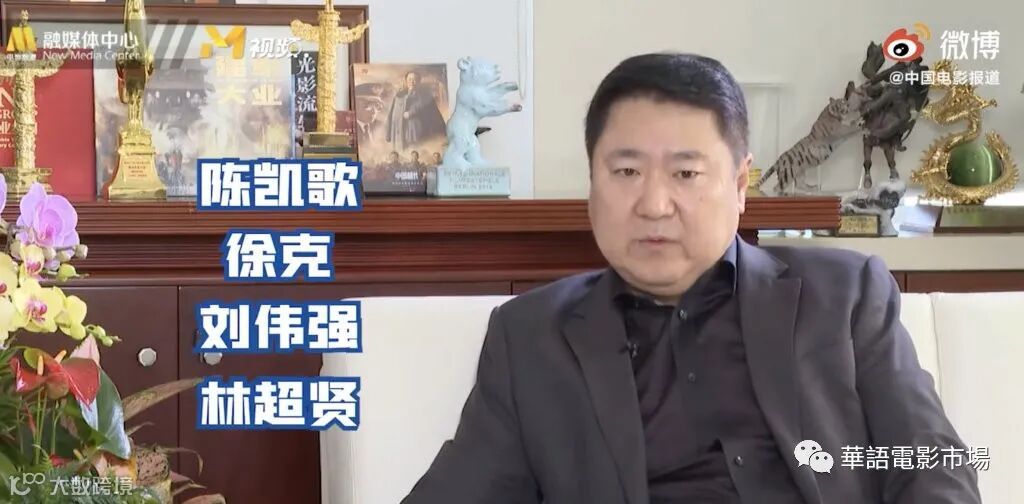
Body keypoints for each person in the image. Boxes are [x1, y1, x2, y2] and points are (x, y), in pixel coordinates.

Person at [401, 52, 981, 504]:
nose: (655, 205)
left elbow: (932, 465)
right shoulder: (530, 335)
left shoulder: (844, 294)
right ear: (592, 183)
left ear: (740, 185)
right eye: (626, 171)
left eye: (685, 173)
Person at [385, 71, 447, 152]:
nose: (412, 82)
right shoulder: (398, 97)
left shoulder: (425, 97)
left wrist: (411, 113)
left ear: (419, 82)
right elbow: (390, 115)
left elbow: (434, 115)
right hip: (398, 136)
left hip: (415, 136)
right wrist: (388, 134)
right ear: (406, 81)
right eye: (410, 79)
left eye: (415, 79)